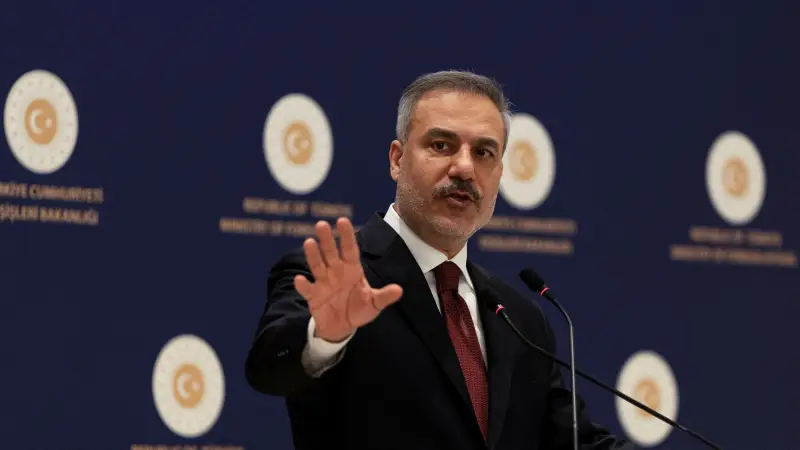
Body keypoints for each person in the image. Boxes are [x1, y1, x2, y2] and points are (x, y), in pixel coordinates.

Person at [245, 70, 634, 450]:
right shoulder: (333, 278)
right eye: (442, 145)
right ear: (397, 159)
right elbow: (269, 370)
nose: (464, 168)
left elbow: (573, 440)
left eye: (483, 153)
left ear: (499, 173)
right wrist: (324, 337)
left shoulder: (520, 318)